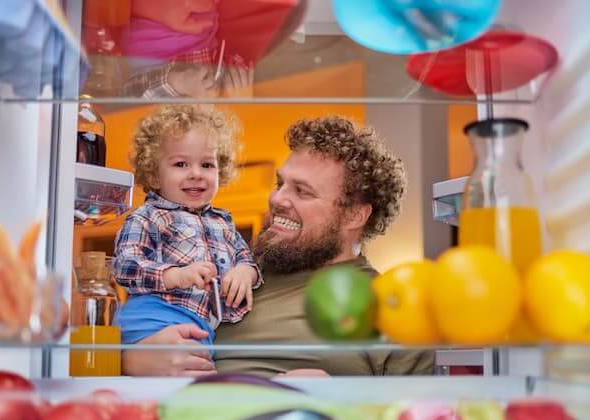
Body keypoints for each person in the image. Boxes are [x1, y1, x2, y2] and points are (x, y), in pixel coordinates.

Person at [122, 115, 435, 377]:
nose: (277, 199)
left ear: (354, 215)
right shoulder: (228, 272)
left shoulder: (393, 308)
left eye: (302, 191)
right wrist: (133, 362)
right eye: (280, 184)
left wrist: (342, 401)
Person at [112, 104, 262, 373]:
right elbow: (125, 266)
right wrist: (175, 276)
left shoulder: (224, 222)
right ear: (155, 175)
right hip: (151, 319)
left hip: (200, 326)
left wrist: (244, 272)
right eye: (181, 164)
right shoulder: (148, 217)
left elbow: (247, 259)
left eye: (207, 164)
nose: (196, 173)